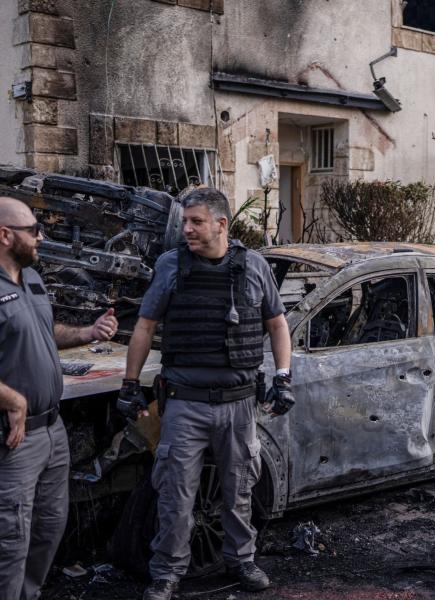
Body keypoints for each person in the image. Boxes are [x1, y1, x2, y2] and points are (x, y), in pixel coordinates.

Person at [117, 187, 294, 599]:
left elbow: (277, 323)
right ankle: (167, 573)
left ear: (221, 224)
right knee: (175, 493)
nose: (187, 230)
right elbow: (144, 326)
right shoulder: (171, 266)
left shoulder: (253, 267)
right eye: (184, 222)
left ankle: (242, 561)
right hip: (185, 404)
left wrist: (283, 376)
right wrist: (130, 383)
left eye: (196, 222)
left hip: (239, 406)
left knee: (239, 489)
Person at [0, 196, 118, 600]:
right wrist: (13, 400)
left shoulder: (31, 279)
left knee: (48, 528)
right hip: (8, 441)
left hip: (51, 432)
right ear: (5, 235)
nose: (41, 237)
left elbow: (43, 331)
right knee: (6, 545)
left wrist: (87, 333)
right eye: (34, 229)